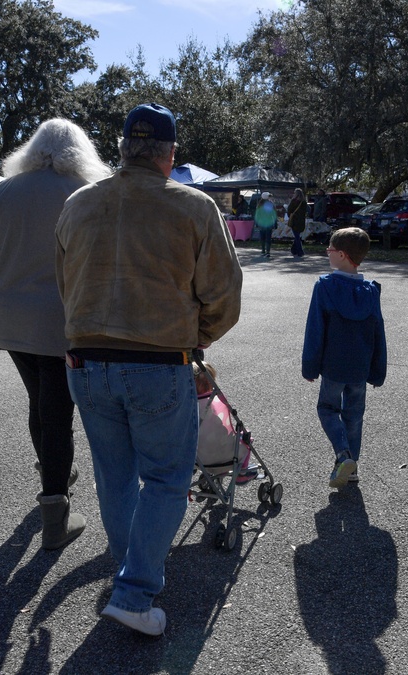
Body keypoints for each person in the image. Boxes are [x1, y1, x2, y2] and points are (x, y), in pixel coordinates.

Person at [55, 103, 242, 636]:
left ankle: (129, 577)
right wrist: (195, 338)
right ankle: (135, 592)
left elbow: (64, 286)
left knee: (115, 477)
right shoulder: (194, 207)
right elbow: (224, 296)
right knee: (165, 477)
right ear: (170, 154)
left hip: (86, 362)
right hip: (159, 363)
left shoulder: (76, 204)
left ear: (121, 150)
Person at [0, 119, 109, 551]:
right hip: (62, 318)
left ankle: (54, 474)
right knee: (57, 412)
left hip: (9, 316)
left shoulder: (2, 191)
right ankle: (57, 514)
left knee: (39, 401)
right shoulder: (84, 194)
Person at [302, 227, 387, 488]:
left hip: (333, 365)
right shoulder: (371, 291)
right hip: (360, 367)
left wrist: (310, 366)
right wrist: (378, 370)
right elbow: (378, 332)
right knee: (354, 415)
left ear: (341, 254)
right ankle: (351, 469)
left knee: (327, 409)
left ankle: (343, 455)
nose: (326, 253)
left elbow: (315, 329)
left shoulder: (325, 286)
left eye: (329, 249)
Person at [193, 360, 256, 484]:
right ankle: (242, 472)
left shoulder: (185, 407)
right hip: (226, 457)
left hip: (196, 459)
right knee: (246, 436)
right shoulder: (216, 402)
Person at [254, 191, 277, 258]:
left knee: (262, 238)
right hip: (269, 223)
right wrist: (275, 223)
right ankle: (268, 251)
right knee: (268, 238)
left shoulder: (259, 205)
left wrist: (257, 223)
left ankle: (263, 251)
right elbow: (274, 214)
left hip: (262, 223)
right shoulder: (270, 204)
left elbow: (257, 215)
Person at [288, 187, 307, 257]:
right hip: (301, 221)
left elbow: (289, 210)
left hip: (294, 221)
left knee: (297, 237)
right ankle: (293, 250)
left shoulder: (293, 201)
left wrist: (291, 215)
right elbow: (306, 211)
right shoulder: (304, 202)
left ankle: (299, 251)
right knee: (297, 236)